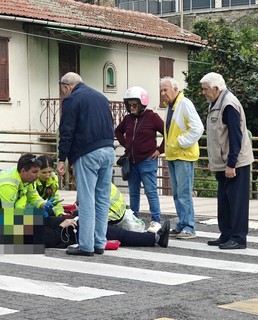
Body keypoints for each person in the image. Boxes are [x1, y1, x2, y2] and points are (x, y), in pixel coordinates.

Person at [57, 72, 115, 257]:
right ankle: (99, 243)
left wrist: (62, 158)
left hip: (87, 152)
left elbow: (66, 131)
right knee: (102, 199)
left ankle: (86, 245)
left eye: (63, 91)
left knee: (86, 199)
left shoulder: (72, 99)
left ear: (67, 87)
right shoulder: (101, 97)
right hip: (108, 150)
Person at [200, 72, 254, 249]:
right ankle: (226, 234)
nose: (203, 92)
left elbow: (235, 136)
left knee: (237, 202)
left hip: (235, 162)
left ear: (216, 88)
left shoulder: (228, 104)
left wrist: (232, 163)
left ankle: (238, 238)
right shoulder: (216, 102)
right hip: (222, 163)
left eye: (205, 89)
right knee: (224, 201)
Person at [115, 86, 164, 233]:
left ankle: (156, 221)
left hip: (147, 161)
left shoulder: (152, 117)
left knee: (151, 191)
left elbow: (167, 133)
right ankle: (134, 219)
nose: (132, 107)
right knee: (134, 193)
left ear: (142, 103)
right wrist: (127, 146)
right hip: (132, 162)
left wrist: (160, 150)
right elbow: (118, 131)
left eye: (134, 104)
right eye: (129, 105)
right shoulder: (128, 118)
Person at [160, 77, 204, 239]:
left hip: (183, 155)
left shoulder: (184, 103)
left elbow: (198, 128)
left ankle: (189, 226)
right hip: (174, 155)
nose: (163, 93)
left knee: (184, 193)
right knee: (178, 193)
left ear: (175, 89)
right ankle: (182, 223)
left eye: (166, 90)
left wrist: (180, 142)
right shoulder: (171, 106)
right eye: (162, 90)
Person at [44, 214, 170, 251]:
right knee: (121, 235)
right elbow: (51, 239)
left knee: (120, 234)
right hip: (76, 232)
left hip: (77, 227)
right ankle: (157, 238)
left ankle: (156, 237)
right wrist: (63, 224)